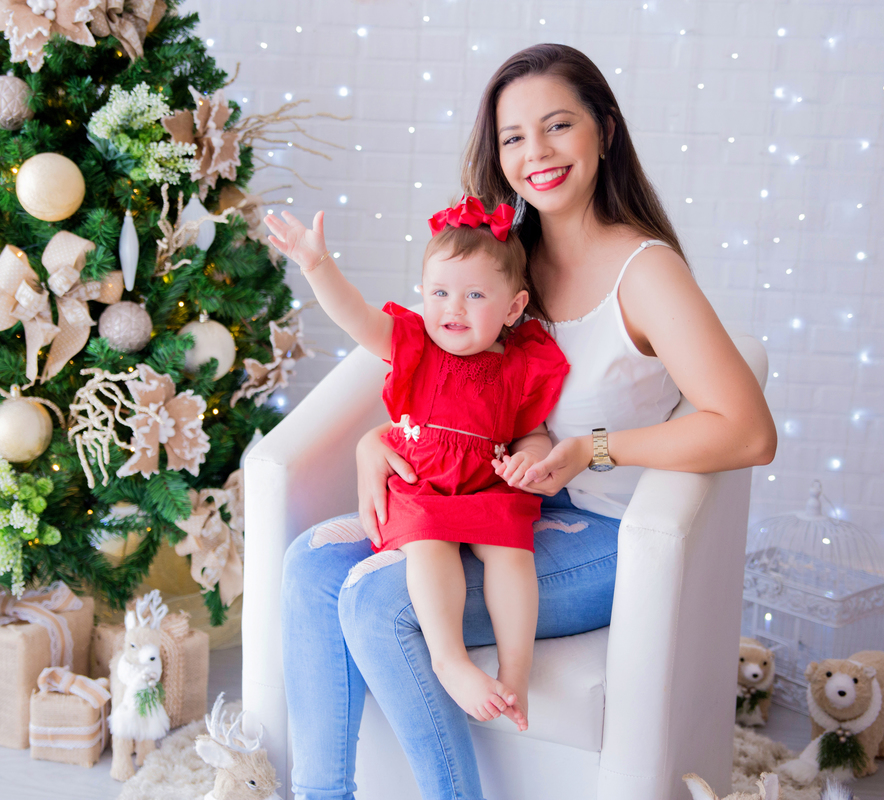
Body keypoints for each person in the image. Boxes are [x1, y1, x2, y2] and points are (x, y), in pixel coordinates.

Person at [280, 43, 778, 800]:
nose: (535, 154)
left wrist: (591, 451)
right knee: (311, 567)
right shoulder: (506, 259)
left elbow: (747, 430)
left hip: (606, 535)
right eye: (514, 137)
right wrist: (376, 440)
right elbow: (438, 370)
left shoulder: (646, 272)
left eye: (557, 126)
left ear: (604, 130)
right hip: (491, 499)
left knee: (376, 602)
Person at [265, 196, 569, 732]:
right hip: (423, 486)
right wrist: (317, 265)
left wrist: (532, 462)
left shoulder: (523, 364)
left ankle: (515, 673)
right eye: (440, 292)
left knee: (512, 553)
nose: (453, 309)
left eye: (475, 295)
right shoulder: (415, 345)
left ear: (514, 307)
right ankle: (448, 659)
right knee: (429, 546)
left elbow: (532, 434)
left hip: (489, 488)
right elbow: (356, 315)